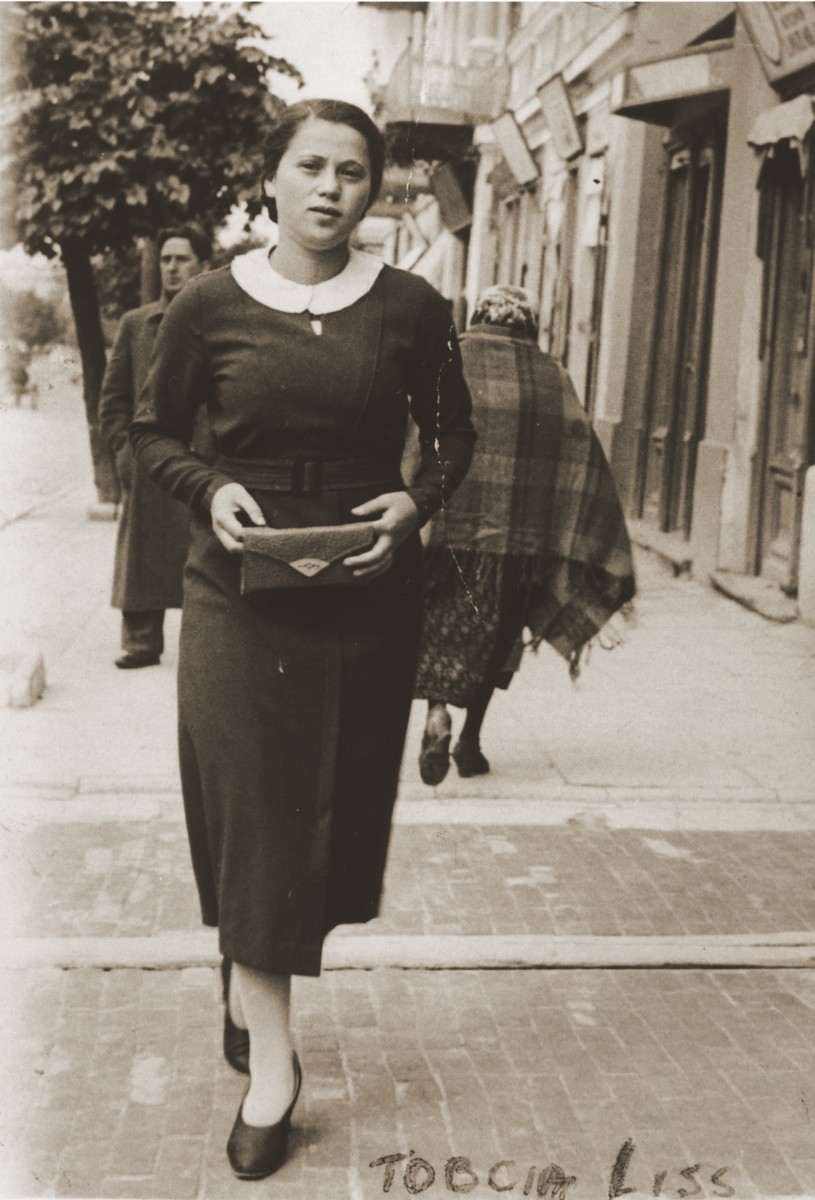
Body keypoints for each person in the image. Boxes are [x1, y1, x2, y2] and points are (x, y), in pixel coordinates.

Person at [130, 99, 475, 1180]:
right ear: (271, 179)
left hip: (362, 594)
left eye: (353, 171)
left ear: (376, 190)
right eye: (310, 166)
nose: (331, 187)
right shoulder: (207, 305)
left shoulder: (412, 307)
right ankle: (273, 1069)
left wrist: (411, 508)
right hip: (238, 592)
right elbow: (147, 431)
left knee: (320, 818)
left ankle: (246, 964)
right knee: (257, 812)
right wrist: (212, 486)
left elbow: (455, 435)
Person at [415, 284, 636, 785]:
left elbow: (412, 433)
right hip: (516, 542)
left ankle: (436, 713)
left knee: (441, 627)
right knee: (498, 635)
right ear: (529, 325)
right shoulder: (550, 376)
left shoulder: (447, 362)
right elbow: (580, 453)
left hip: (445, 532)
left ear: (477, 318)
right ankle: (470, 740)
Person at [99, 226, 211, 668]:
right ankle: (142, 640)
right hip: (147, 462)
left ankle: (204, 642)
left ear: (201, 264)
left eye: (182, 259)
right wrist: (126, 456)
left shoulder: (214, 322)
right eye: (165, 259)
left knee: (203, 551)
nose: (172, 267)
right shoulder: (135, 324)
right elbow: (112, 402)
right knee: (142, 551)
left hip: (201, 458)